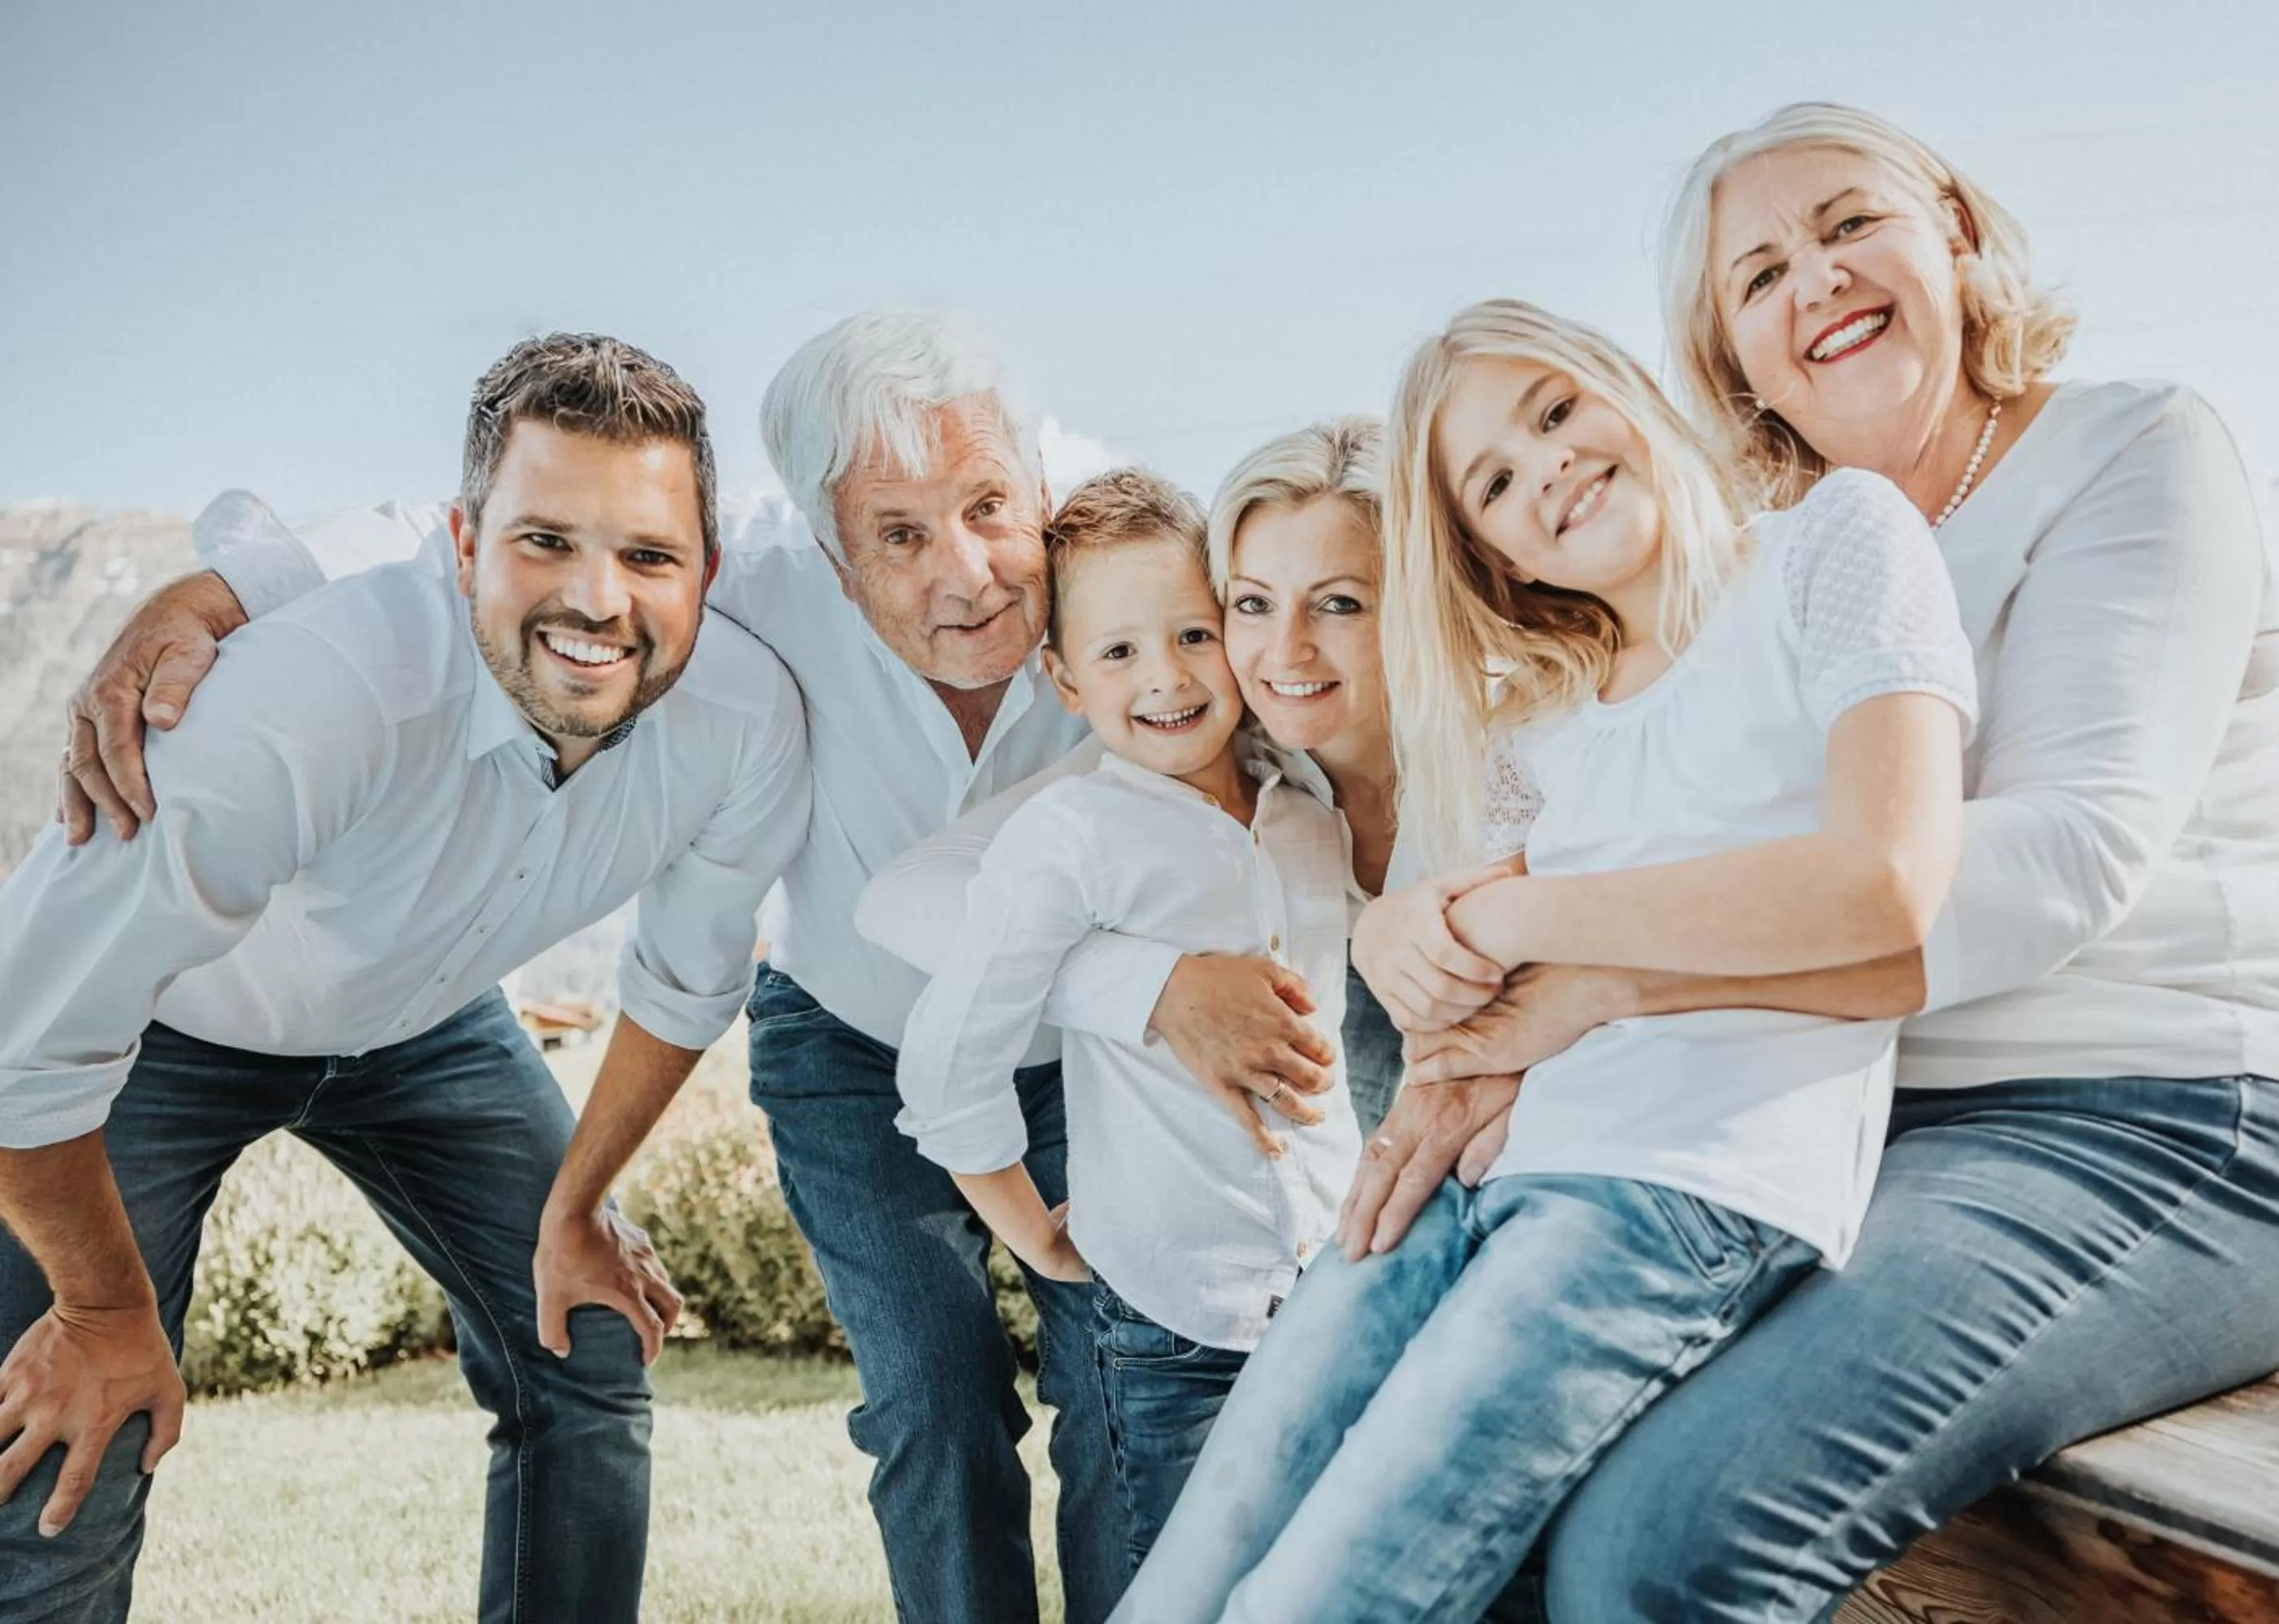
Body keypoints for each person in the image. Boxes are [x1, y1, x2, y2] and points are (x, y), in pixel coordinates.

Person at [50, 312, 1337, 1624]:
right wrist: (215, 592)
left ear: (1037, 487)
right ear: (830, 552)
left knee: (1123, 1379)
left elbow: (1288, 609)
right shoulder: (746, 579)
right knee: (935, 1402)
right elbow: (476, 535)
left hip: (1081, 1067)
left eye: (991, 509)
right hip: (852, 1042)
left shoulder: (1117, 575)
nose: (968, 575)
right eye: (897, 535)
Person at [1369, 105, 2279, 1622]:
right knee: (1488, 1459)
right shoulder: (1761, 573)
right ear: (1729, 364)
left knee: (1663, 1546)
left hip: (2172, 1122)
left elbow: (2059, 859)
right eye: (1759, 275)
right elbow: (1633, 841)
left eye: (1850, 225)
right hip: (1852, 1127)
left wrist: (1604, 978)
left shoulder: (2135, 450)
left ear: (1956, 235)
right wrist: (1426, 934)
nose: (1816, 283)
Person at [1119, 297, 1979, 1622]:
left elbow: (1880, 908)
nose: (1550, 469)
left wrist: (1514, 928)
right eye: (1498, 483)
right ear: (1486, 548)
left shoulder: (1832, 544)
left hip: (1676, 1184)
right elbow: (1461, 956)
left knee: (1319, 1598)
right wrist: (1412, 937)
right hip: (1488, 1162)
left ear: (1622, 384)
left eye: (1556, 412)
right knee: (1202, 1553)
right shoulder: (1544, 701)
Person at [0, 334, 813, 1624]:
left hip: (429, 1031)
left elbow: (680, 981)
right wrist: (101, 1313)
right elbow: (19, 1051)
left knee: (584, 1340)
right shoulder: (302, 693)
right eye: (543, 542)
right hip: (162, 1035)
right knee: (66, 1438)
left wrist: (578, 1205)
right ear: (461, 543)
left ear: (707, 573)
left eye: (649, 556)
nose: (598, 601)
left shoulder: (750, 721)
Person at [890, 468, 1363, 1570]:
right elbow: (951, 1064)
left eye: (1197, 633)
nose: (1167, 677)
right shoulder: (1072, 836)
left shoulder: (1307, 804)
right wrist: (1034, 1233)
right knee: (1178, 1589)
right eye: (1119, 652)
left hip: (1336, 1290)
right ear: (1061, 676)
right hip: (1176, 1327)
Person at [861, 417, 1439, 1142]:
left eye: (1340, 603)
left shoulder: (1503, 747)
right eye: (1253, 604)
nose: (1286, 652)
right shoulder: (1214, 748)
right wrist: (1159, 989)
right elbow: (899, 899)